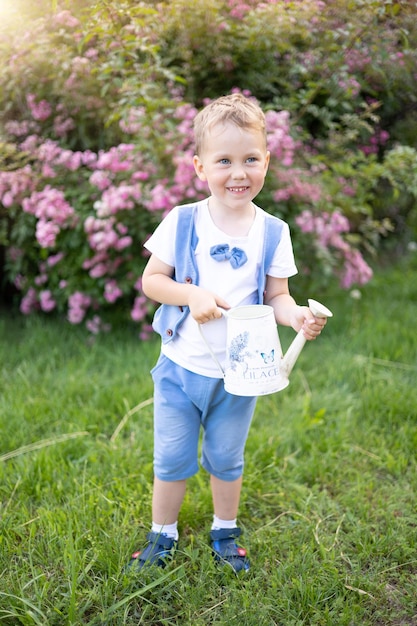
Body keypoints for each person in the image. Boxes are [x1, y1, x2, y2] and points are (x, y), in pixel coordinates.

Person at [128, 93, 327, 573]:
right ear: (200, 167)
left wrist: (295, 314)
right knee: (172, 457)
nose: (238, 173)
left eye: (250, 160)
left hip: (241, 374)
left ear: (267, 162)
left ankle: (224, 529)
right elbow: (152, 281)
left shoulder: (273, 231)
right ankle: (162, 534)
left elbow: (276, 296)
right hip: (181, 367)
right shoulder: (184, 221)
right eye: (224, 161)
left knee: (225, 457)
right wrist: (191, 295)